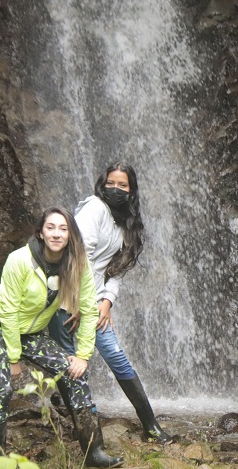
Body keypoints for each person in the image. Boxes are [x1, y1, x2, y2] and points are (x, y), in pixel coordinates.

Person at [0, 206, 124, 469]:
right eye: (51, 227)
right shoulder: (20, 260)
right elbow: (8, 311)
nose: (56, 234)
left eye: (63, 229)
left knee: (74, 372)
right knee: (3, 387)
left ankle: (94, 451)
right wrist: (13, 358)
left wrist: (83, 355)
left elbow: (89, 310)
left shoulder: (77, 264)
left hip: (28, 331)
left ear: (70, 235)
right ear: (41, 233)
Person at [48, 162, 173, 444]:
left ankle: (150, 426)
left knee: (116, 357)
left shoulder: (125, 223)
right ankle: (87, 437)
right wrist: (83, 303)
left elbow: (117, 269)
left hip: (93, 303)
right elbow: (80, 258)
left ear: (131, 191)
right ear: (102, 184)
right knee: (71, 364)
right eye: (111, 184)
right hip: (66, 298)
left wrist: (107, 301)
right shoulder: (94, 208)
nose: (115, 189)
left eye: (123, 185)